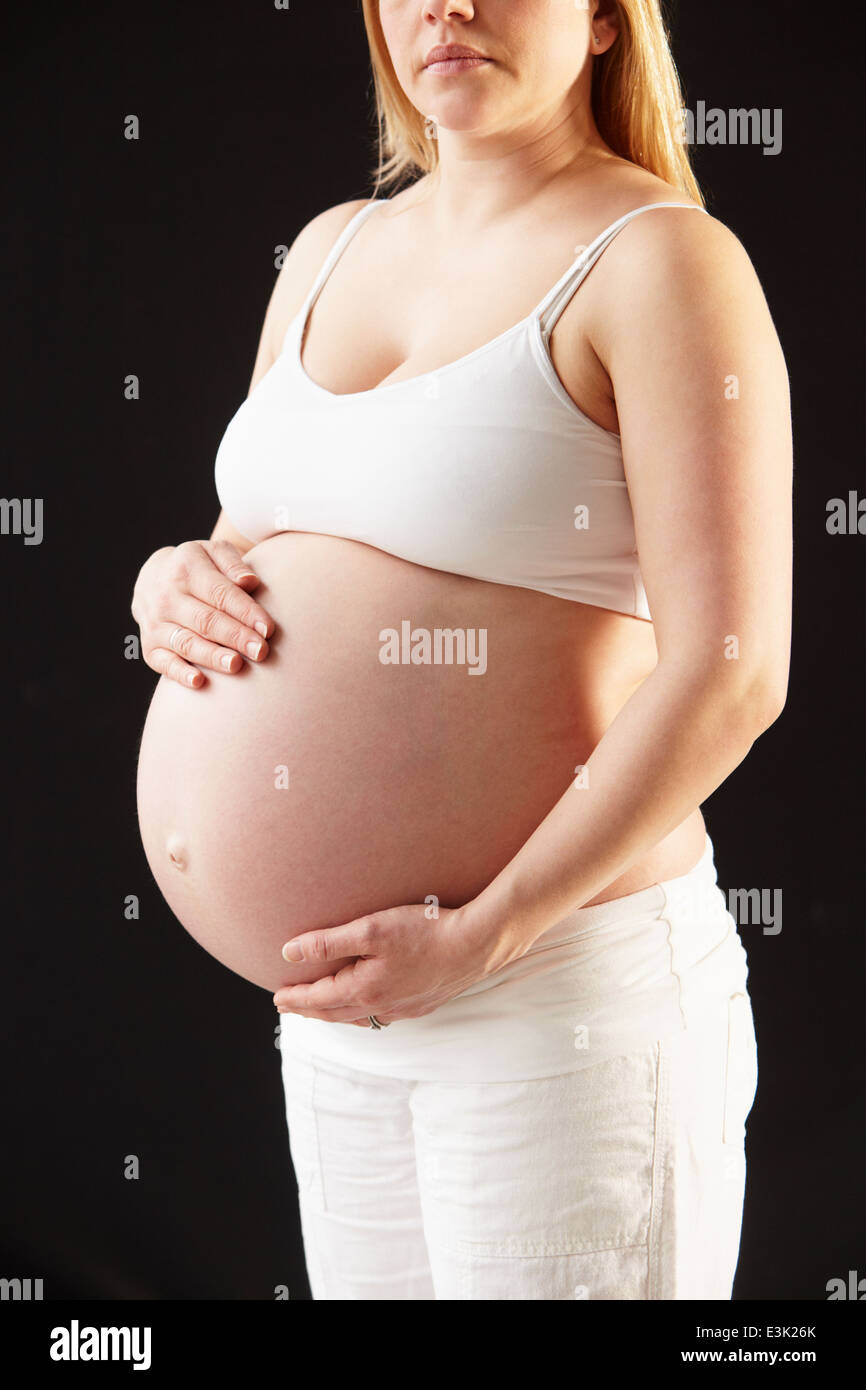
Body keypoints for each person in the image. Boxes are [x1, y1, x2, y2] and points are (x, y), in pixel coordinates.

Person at [131, 0, 792, 1300]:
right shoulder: (326, 250)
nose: (447, 5)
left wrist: (487, 931)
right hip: (337, 1026)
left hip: (554, 996)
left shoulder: (659, 259)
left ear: (605, 20)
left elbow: (731, 667)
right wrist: (167, 582)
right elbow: (247, 551)